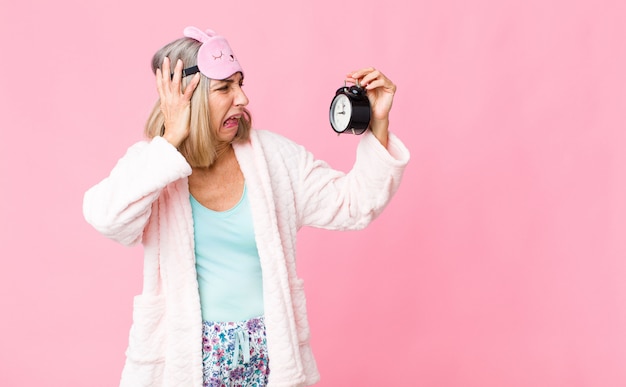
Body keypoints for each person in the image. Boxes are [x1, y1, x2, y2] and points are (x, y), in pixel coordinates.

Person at [83, 26, 410, 387]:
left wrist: (378, 120)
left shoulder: (272, 158)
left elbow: (355, 204)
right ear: (184, 98)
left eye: (240, 83)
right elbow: (108, 219)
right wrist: (172, 139)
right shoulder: (153, 166)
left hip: (270, 357)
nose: (242, 98)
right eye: (225, 88)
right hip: (185, 361)